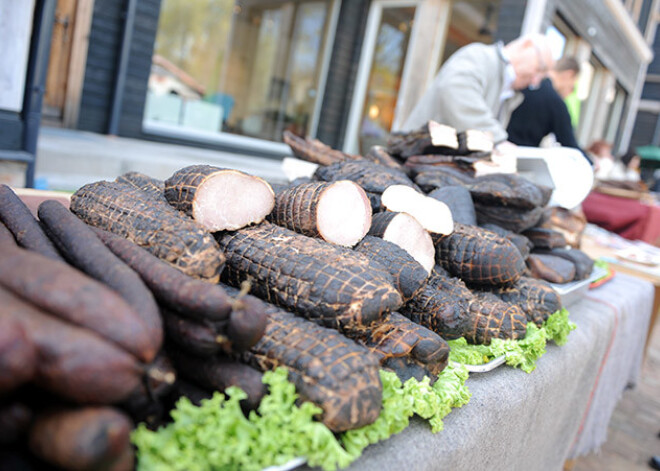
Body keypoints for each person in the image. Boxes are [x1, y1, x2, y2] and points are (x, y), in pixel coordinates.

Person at [401, 33, 555, 152]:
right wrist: (498, 140)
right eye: (540, 68)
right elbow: (455, 91)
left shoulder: (510, 93)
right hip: (413, 154)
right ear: (526, 46)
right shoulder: (479, 56)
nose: (536, 81)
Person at [506, 56, 591, 163]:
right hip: (519, 158)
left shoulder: (525, 82)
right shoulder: (556, 103)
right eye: (573, 85)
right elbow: (569, 144)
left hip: (495, 145)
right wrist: (592, 162)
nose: (571, 91)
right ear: (569, 74)